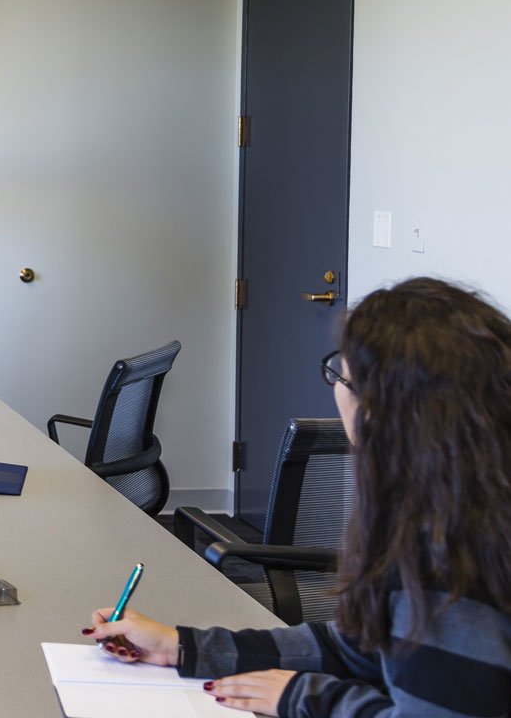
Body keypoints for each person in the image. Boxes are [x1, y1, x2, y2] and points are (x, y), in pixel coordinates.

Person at [84, 277, 511, 717]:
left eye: (339, 373)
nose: (335, 387)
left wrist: (303, 698)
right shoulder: (448, 500)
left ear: (380, 408)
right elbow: (361, 648)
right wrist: (184, 647)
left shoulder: (450, 545)